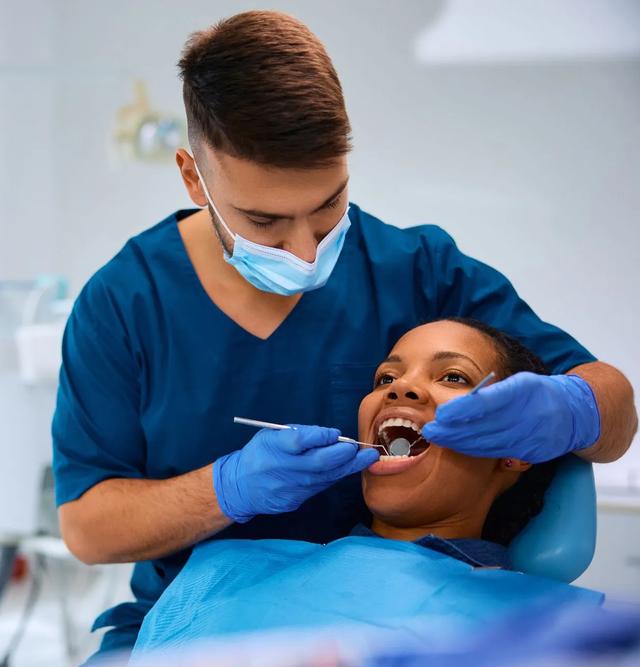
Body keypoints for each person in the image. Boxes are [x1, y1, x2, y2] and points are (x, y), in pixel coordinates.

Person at [51, 10, 636, 662]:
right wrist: (227, 488)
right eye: (267, 222)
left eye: (328, 206)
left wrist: (570, 408)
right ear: (195, 178)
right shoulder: (126, 303)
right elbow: (86, 528)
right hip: (194, 618)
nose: (305, 252)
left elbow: (612, 407)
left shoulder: (416, 271)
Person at [130, 319, 603, 656]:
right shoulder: (224, 571)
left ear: (516, 446)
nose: (400, 390)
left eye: (453, 376)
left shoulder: (562, 632)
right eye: (387, 378)